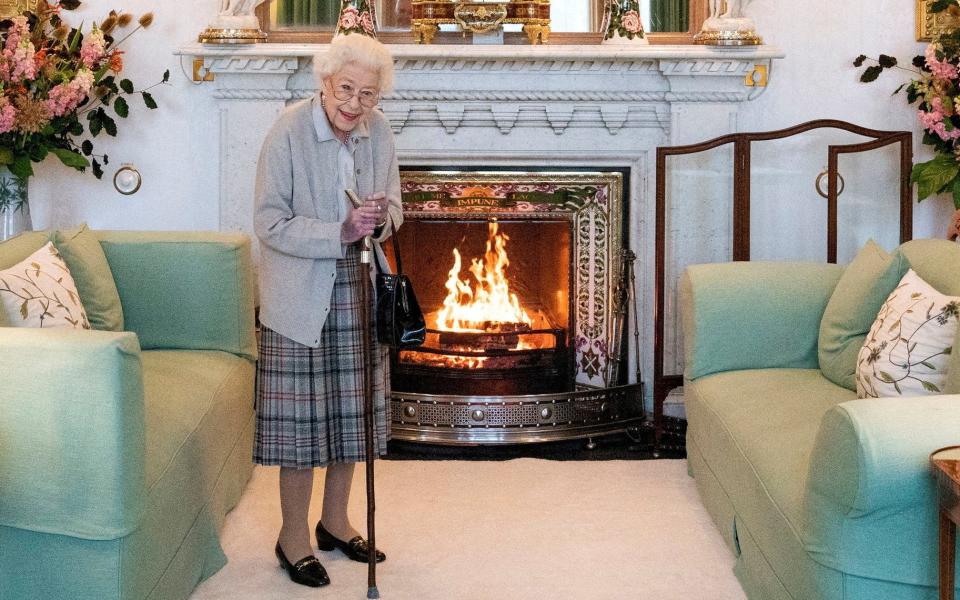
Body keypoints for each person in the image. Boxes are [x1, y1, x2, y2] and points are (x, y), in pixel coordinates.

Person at [252, 33, 400, 588]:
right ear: (324, 82)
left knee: (350, 417)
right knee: (301, 428)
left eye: (367, 94)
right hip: (299, 294)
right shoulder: (289, 129)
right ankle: (292, 537)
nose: (355, 104)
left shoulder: (378, 131)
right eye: (346, 90)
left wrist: (380, 217)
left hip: (359, 288)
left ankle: (334, 522)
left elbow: (396, 208)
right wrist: (339, 230)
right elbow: (268, 222)